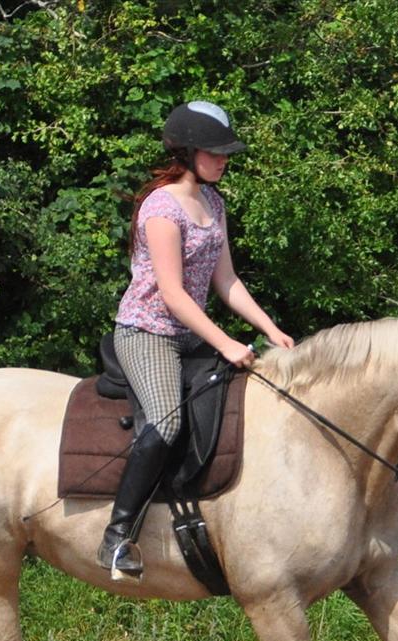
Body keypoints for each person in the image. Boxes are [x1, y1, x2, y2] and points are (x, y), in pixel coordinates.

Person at [98, 100, 295, 576]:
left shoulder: (213, 202)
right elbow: (172, 295)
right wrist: (227, 343)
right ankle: (117, 536)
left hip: (191, 335)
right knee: (165, 423)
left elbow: (225, 281)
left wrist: (270, 329)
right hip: (149, 333)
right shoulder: (161, 207)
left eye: (226, 152)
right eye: (215, 151)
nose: (225, 159)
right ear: (187, 152)